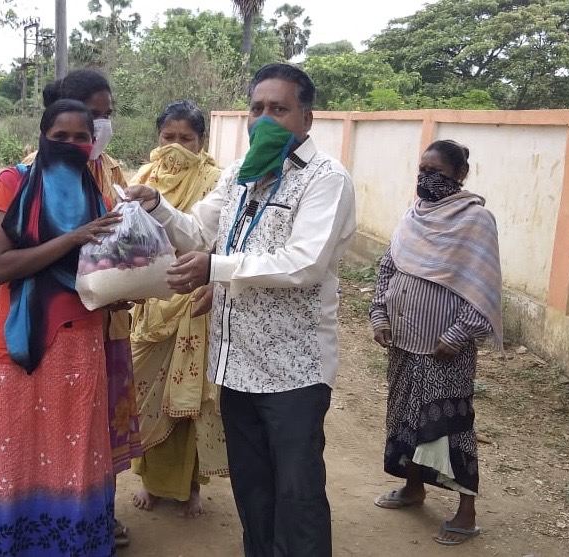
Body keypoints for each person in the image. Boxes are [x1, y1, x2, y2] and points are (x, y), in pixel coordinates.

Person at [126, 63, 357, 557]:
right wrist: (158, 209)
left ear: (306, 118)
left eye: (280, 108)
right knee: (252, 490)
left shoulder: (326, 179)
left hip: (293, 371)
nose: (265, 118)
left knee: (297, 493)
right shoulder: (240, 173)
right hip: (235, 366)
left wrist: (216, 268)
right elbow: (197, 231)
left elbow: (304, 263)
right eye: (258, 108)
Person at [0, 99, 122, 556]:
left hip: (81, 339)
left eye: (80, 138)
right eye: (60, 137)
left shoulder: (97, 194)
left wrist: (129, 280)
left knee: (73, 446)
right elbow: (3, 266)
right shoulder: (13, 183)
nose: (70, 145)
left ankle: (71, 542)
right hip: (20, 340)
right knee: (12, 442)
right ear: (42, 137)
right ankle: (6, 540)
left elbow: (99, 273)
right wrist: (71, 238)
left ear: (92, 144)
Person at [24, 68, 141, 547]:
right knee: (62, 422)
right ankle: (54, 516)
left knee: (102, 424)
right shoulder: (36, 169)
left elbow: (125, 235)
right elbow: (15, 256)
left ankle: (97, 513)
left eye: (104, 117)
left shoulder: (110, 168)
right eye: (95, 114)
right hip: (61, 323)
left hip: (109, 319)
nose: (100, 127)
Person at [369, 139, 503, 546]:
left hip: (444, 347)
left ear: (460, 176)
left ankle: (466, 512)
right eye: (422, 172)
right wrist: (379, 313)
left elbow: (484, 284)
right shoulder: (414, 214)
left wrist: (458, 333)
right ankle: (413, 488)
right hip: (403, 341)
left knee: (448, 425)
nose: (427, 181)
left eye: (437, 174)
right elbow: (388, 265)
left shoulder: (476, 220)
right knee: (405, 416)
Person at [128, 100, 228, 517]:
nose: (175, 146)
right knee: (142, 394)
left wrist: (217, 285)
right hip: (150, 303)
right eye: (168, 137)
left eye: (185, 138)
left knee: (187, 401)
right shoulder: (142, 179)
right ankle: (151, 482)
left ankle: (191, 486)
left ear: (201, 141)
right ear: (157, 137)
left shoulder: (218, 180)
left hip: (194, 304)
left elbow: (222, 242)